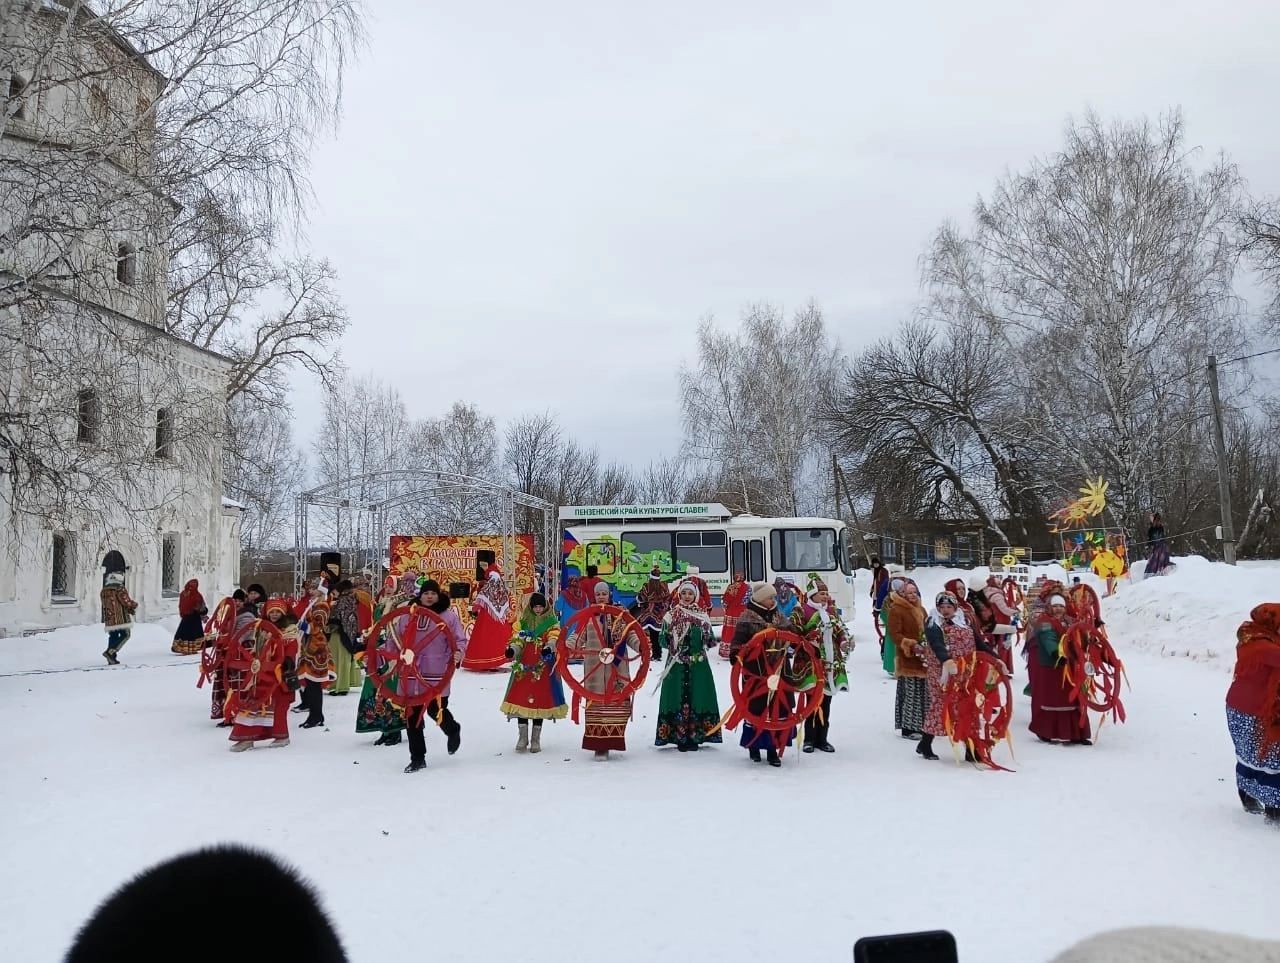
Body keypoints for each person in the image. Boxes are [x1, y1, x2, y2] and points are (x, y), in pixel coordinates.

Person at [382, 580, 467, 773]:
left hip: (437, 671)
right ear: (420, 596)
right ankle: (417, 757)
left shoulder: (448, 616)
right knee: (412, 717)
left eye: (433, 593)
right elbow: (395, 640)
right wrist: (386, 655)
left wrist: (459, 652)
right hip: (411, 673)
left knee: (435, 710)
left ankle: (453, 730)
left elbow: (459, 639)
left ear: (438, 595)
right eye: (426, 593)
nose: (429, 597)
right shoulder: (407, 616)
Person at [575, 580, 642, 760]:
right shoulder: (589, 617)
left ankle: (613, 742)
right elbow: (578, 638)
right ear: (594, 597)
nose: (601, 596)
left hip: (617, 670)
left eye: (604, 593)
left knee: (616, 705)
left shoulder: (621, 615)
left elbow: (632, 635)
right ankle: (599, 746)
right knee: (596, 706)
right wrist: (564, 647)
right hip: (594, 673)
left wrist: (641, 646)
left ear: (609, 595)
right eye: (598, 594)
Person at [1226, 603, 1280, 823]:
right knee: (1268, 759)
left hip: (1245, 708)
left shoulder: (1255, 636)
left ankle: (1251, 796)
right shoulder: (1261, 646)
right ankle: (1273, 807)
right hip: (1251, 712)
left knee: (1255, 756)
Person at [655, 579, 722, 752]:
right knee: (676, 696)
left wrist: (707, 635)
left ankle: (695, 737)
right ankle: (678, 737)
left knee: (698, 696)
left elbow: (711, 641)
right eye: (683, 593)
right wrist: (671, 642)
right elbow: (661, 639)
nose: (686, 596)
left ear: (695, 596)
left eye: (690, 593)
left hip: (698, 666)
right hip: (676, 666)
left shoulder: (702, 616)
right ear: (679, 594)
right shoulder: (670, 616)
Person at [730, 582, 791, 767]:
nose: (773, 600)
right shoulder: (746, 618)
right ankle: (753, 746)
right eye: (769, 598)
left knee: (777, 708)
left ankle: (773, 749)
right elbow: (737, 642)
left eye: (773, 597)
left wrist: (803, 639)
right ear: (759, 599)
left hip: (779, 670)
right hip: (756, 674)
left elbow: (792, 633)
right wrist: (736, 655)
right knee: (757, 709)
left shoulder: (779, 616)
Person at [226, 600, 299, 751]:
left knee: (278, 708)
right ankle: (246, 737)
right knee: (253, 705)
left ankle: (282, 735)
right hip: (262, 675)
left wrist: (289, 659)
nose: (274, 615)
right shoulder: (262, 629)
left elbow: (292, 648)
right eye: (272, 612)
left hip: (279, 678)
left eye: (278, 612)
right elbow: (256, 650)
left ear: (283, 614)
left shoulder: (290, 631)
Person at [500, 592, 567, 753]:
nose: (538, 609)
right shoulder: (522, 623)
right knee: (522, 699)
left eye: (540, 606)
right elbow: (518, 641)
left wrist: (548, 647)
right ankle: (522, 737)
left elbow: (553, 638)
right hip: (524, 666)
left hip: (542, 665)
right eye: (535, 606)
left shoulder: (551, 622)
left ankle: (535, 739)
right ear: (531, 607)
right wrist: (513, 651)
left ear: (545, 607)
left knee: (540, 700)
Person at [792, 575, 851, 754]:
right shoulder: (801, 611)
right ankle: (809, 739)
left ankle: (822, 739)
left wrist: (843, 642)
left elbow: (840, 631)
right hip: (810, 662)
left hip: (830, 663)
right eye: (821, 593)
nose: (825, 596)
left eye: (826, 593)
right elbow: (794, 633)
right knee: (812, 700)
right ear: (812, 595)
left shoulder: (831, 612)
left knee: (826, 701)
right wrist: (809, 640)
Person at [918, 591, 979, 761]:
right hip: (941, 674)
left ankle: (970, 749)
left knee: (967, 708)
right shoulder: (932, 622)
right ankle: (925, 743)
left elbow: (978, 641)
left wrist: (995, 659)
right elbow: (936, 643)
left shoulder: (964, 620)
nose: (945, 610)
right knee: (941, 707)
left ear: (955, 607)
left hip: (964, 673)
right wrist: (947, 661)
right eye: (942, 607)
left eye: (949, 607)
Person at [1027, 594, 1092, 745]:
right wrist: (1056, 653)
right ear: (1049, 607)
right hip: (1053, 666)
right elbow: (1048, 638)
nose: (1058, 609)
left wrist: (1089, 637)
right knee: (1054, 700)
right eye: (1055, 606)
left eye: (1061, 606)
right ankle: (1046, 731)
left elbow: (1080, 634)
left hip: (1070, 667)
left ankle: (1077, 733)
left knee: (1074, 699)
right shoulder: (1044, 622)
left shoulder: (1069, 621)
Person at [355, 579, 408, 746]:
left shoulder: (402, 603)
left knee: (390, 689)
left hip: (392, 652)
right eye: (386, 585)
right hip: (377, 649)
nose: (388, 588)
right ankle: (383, 728)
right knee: (374, 687)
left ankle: (394, 730)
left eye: (391, 585)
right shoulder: (382, 602)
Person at [889, 579, 928, 739]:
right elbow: (895, 634)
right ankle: (908, 727)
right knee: (910, 692)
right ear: (902, 594)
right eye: (908, 593)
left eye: (914, 592)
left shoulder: (922, 609)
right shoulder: (897, 610)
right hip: (908, 657)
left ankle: (922, 724)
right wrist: (910, 645)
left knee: (923, 692)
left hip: (923, 657)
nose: (912, 595)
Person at [463, 564, 513, 671]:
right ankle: (495, 660)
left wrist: (476, 607)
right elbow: (505, 602)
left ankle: (487, 660)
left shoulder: (489, 586)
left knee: (486, 637)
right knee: (495, 638)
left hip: (487, 617)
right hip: (497, 617)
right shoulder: (500, 586)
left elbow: (480, 599)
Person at [297, 598, 335, 729]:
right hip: (309, 650)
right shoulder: (312, 604)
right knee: (310, 685)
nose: (310, 591)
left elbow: (318, 627)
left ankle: (316, 716)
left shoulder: (322, 606)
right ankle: (314, 715)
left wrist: (304, 626)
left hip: (316, 651)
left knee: (314, 686)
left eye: (314, 588)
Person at [327, 580, 364, 695]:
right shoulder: (352, 600)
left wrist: (326, 626)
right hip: (348, 634)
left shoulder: (342, 601)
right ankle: (343, 684)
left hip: (338, 634)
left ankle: (338, 686)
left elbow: (336, 619)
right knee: (345, 660)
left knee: (337, 660)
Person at [632, 566, 671, 662]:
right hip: (659, 614)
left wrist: (640, 600)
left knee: (651, 635)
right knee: (658, 634)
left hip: (649, 614)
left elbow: (641, 598)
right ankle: (658, 653)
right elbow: (667, 598)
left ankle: (653, 654)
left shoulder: (647, 586)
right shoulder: (664, 585)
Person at [100, 571, 137, 665]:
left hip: (109, 618)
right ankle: (110, 652)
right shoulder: (119, 588)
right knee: (126, 635)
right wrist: (133, 605)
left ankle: (111, 658)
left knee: (113, 636)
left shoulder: (104, 590)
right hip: (121, 617)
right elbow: (126, 601)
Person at [171, 579, 207, 656]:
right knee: (191, 634)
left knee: (187, 634)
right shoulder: (195, 595)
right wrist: (203, 612)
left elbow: (182, 606)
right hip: (192, 618)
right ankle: (190, 649)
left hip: (189, 618)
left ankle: (187, 649)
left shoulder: (185, 594)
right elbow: (200, 607)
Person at [719, 571, 751, 658]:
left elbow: (725, 601)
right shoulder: (747, 588)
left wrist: (727, 609)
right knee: (740, 632)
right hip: (742, 613)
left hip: (730, 613)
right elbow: (748, 601)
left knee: (729, 632)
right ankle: (740, 651)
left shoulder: (730, 587)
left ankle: (727, 652)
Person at [1145, 512, 1173, 578]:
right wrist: (1149, 545)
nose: (1157, 522)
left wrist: (1163, 542)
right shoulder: (1151, 529)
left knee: (1163, 552)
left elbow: (1163, 537)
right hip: (1155, 547)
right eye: (1156, 520)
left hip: (1162, 546)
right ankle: (1152, 574)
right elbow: (1149, 539)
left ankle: (1163, 571)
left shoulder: (1161, 527)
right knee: (1154, 559)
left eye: (1158, 520)